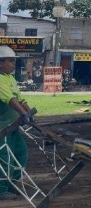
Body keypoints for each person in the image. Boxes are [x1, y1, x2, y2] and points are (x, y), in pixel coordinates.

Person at [0, 46, 33, 201]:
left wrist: (29, 113)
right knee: (4, 158)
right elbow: (10, 100)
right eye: (11, 61)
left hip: (12, 126)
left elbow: (20, 99)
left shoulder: (10, 79)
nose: (14, 64)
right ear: (1, 63)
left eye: (14, 61)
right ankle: (1, 189)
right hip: (2, 128)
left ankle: (11, 183)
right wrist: (23, 113)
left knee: (21, 153)